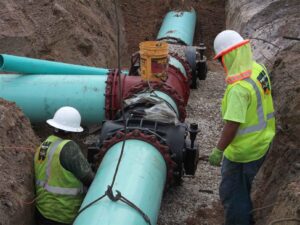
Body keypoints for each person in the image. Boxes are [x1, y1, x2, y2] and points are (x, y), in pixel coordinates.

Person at [208, 30, 275, 225]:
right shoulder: (257, 69)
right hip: (263, 142)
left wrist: (219, 150)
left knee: (233, 194)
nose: (221, 64)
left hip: (244, 152)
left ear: (228, 56)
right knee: (245, 189)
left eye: (221, 59)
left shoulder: (239, 88)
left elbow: (233, 124)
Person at [34, 106, 95, 225]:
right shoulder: (68, 148)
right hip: (62, 213)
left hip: (42, 211)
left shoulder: (44, 144)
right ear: (71, 131)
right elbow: (88, 178)